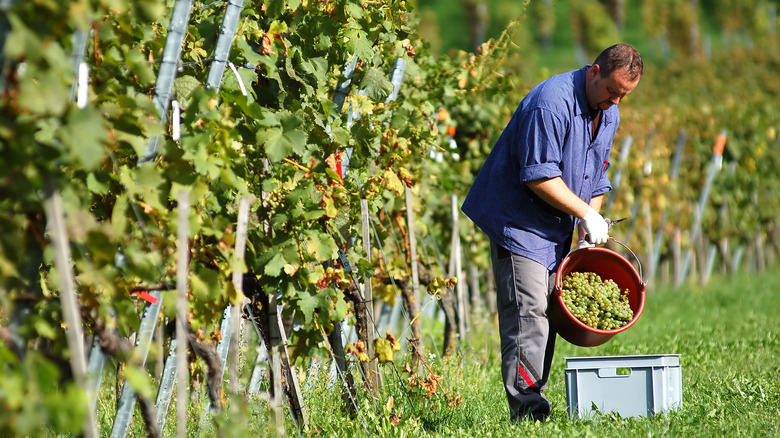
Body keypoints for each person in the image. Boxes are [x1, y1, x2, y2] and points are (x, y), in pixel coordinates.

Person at [461, 43, 643, 422]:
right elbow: (538, 176)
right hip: (519, 222)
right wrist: (581, 213)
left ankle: (532, 407)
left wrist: (587, 225)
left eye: (624, 96)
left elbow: (596, 177)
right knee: (529, 313)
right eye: (612, 91)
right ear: (594, 72)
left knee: (548, 311)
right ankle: (528, 415)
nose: (615, 102)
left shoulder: (608, 114)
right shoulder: (551, 103)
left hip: (555, 224)